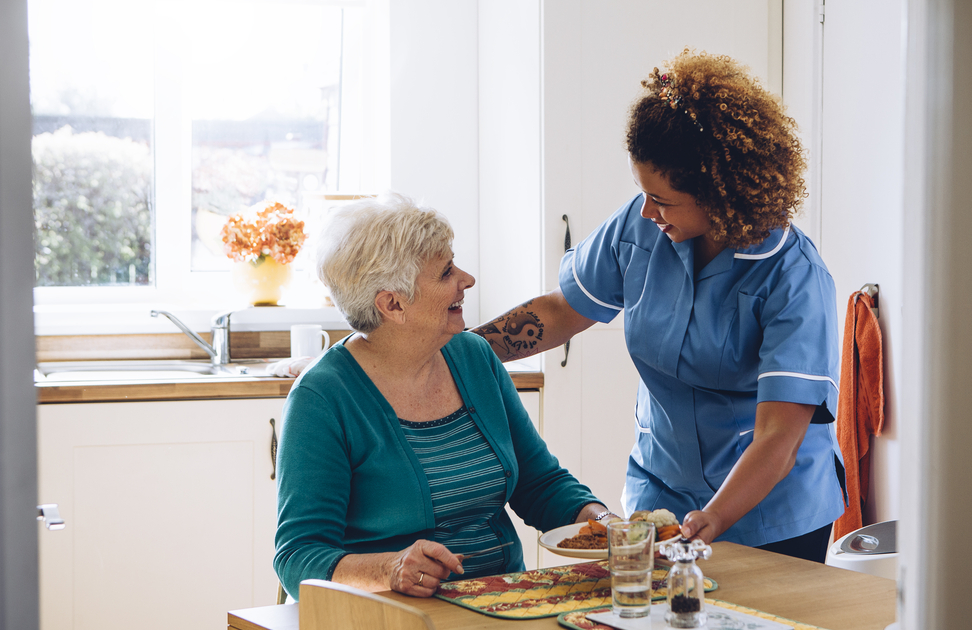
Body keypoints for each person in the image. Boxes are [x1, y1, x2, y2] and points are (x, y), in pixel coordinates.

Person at [473, 50, 846, 562]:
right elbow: (562, 311)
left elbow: (780, 434)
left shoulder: (793, 276)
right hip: (662, 494)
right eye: (641, 192)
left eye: (664, 200)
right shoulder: (642, 224)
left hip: (769, 512)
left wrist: (715, 517)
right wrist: (461, 353)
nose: (647, 211)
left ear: (720, 192)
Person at [273, 192, 608, 600]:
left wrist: (602, 521)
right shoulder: (322, 397)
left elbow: (539, 484)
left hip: (500, 602)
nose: (466, 279)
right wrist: (391, 568)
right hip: (390, 617)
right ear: (393, 304)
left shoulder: (474, 357)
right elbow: (298, 556)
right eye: (446, 272)